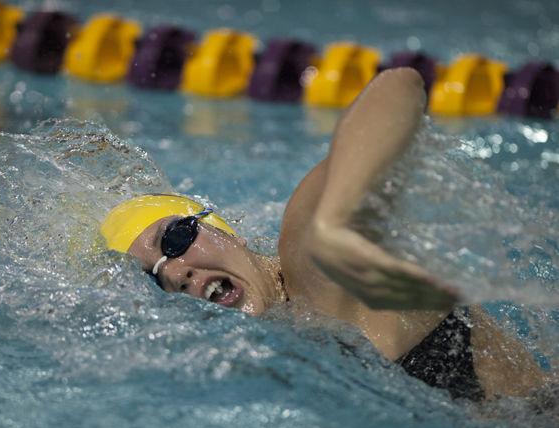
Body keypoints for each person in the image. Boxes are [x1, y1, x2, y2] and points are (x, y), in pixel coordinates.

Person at [100, 68, 547, 401]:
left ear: (222, 229)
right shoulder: (276, 341)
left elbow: (399, 86)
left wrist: (334, 222)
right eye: (151, 276)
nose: (176, 272)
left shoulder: (312, 262)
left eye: (175, 240)